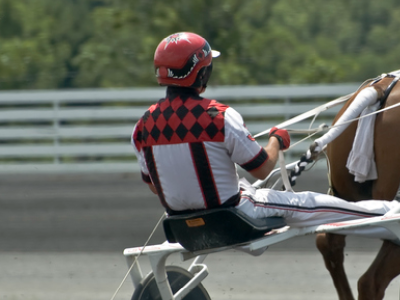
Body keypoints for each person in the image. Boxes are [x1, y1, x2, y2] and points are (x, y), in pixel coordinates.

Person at [131, 32, 400, 242]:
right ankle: (388, 214)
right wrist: (276, 141)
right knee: (307, 202)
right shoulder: (219, 116)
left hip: (179, 225)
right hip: (235, 215)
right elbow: (262, 168)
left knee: (248, 187)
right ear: (201, 73)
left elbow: (156, 185)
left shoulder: (142, 126)